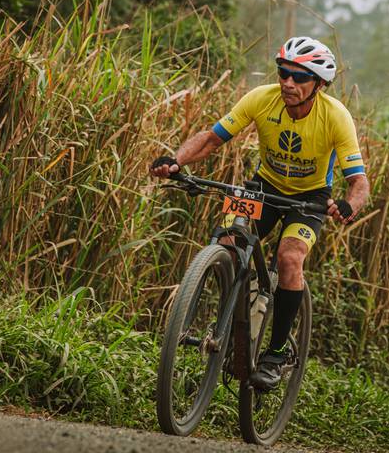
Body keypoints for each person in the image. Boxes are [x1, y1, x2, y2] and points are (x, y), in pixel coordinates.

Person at [151, 36, 370, 390]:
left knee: (289, 258)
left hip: (309, 200)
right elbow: (212, 138)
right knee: (226, 243)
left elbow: (358, 181)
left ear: (319, 84)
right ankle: (235, 316)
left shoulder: (335, 116)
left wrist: (348, 205)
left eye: (300, 77)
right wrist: (176, 161)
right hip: (264, 187)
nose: (288, 83)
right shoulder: (261, 98)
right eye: (283, 73)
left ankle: (276, 353)